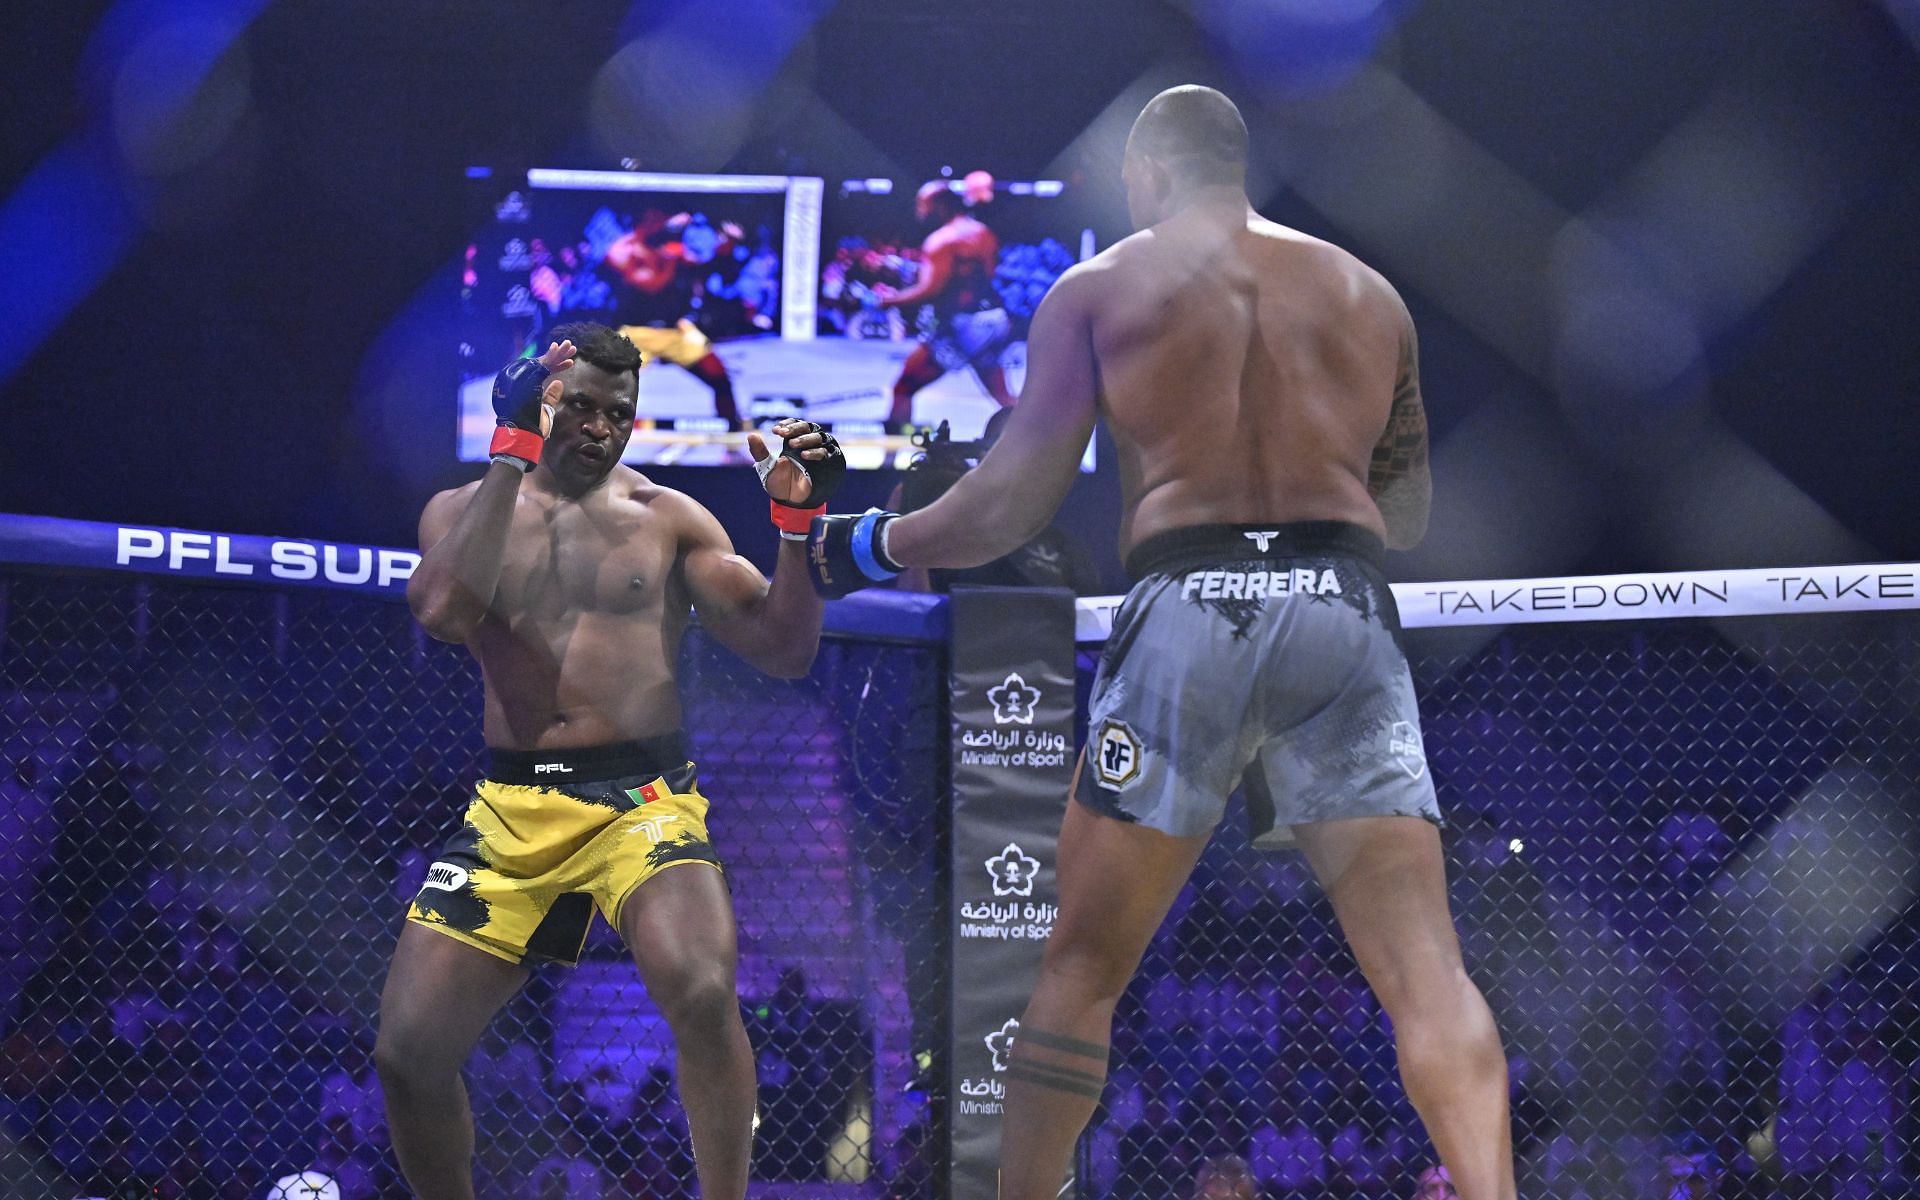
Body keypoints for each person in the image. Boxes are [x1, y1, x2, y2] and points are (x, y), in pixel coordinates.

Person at [808, 86, 1515, 1199]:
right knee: (1427, 977)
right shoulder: (1367, 294)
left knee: (1081, 969)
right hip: (1343, 612)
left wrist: (868, 541)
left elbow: (1006, 506)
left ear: (1144, 174)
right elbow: (1411, 511)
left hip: (1192, 610)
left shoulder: (1102, 287)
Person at [376, 321, 842, 1200]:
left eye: (618, 413)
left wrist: (795, 524)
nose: (600, 427)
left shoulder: (665, 518)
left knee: (701, 990)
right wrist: (509, 454)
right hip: (512, 814)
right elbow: (440, 612)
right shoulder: (462, 510)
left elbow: (785, 650)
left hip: (644, 800)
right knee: (407, 1055)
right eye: (581, 406)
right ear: (541, 401)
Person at [873, 180, 1015, 427]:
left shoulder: (941, 241)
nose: (919, 212)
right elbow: (984, 277)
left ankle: (892, 458)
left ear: (940, 206)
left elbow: (931, 289)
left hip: (962, 327)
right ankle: (1046, 447)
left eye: (923, 205)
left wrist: (889, 300)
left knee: (904, 386)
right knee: (1002, 394)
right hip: (993, 320)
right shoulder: (983, 233)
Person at [603, 212, 744, 427]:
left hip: (674, 332)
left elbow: (706, 264)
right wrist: (671, 260)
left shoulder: (675, 252)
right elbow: (649, 284)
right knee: (605, 382)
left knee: (718, 374)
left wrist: (729, 243)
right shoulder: (626, 250)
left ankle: (733, 429)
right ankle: (597, 428)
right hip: (635, 333)